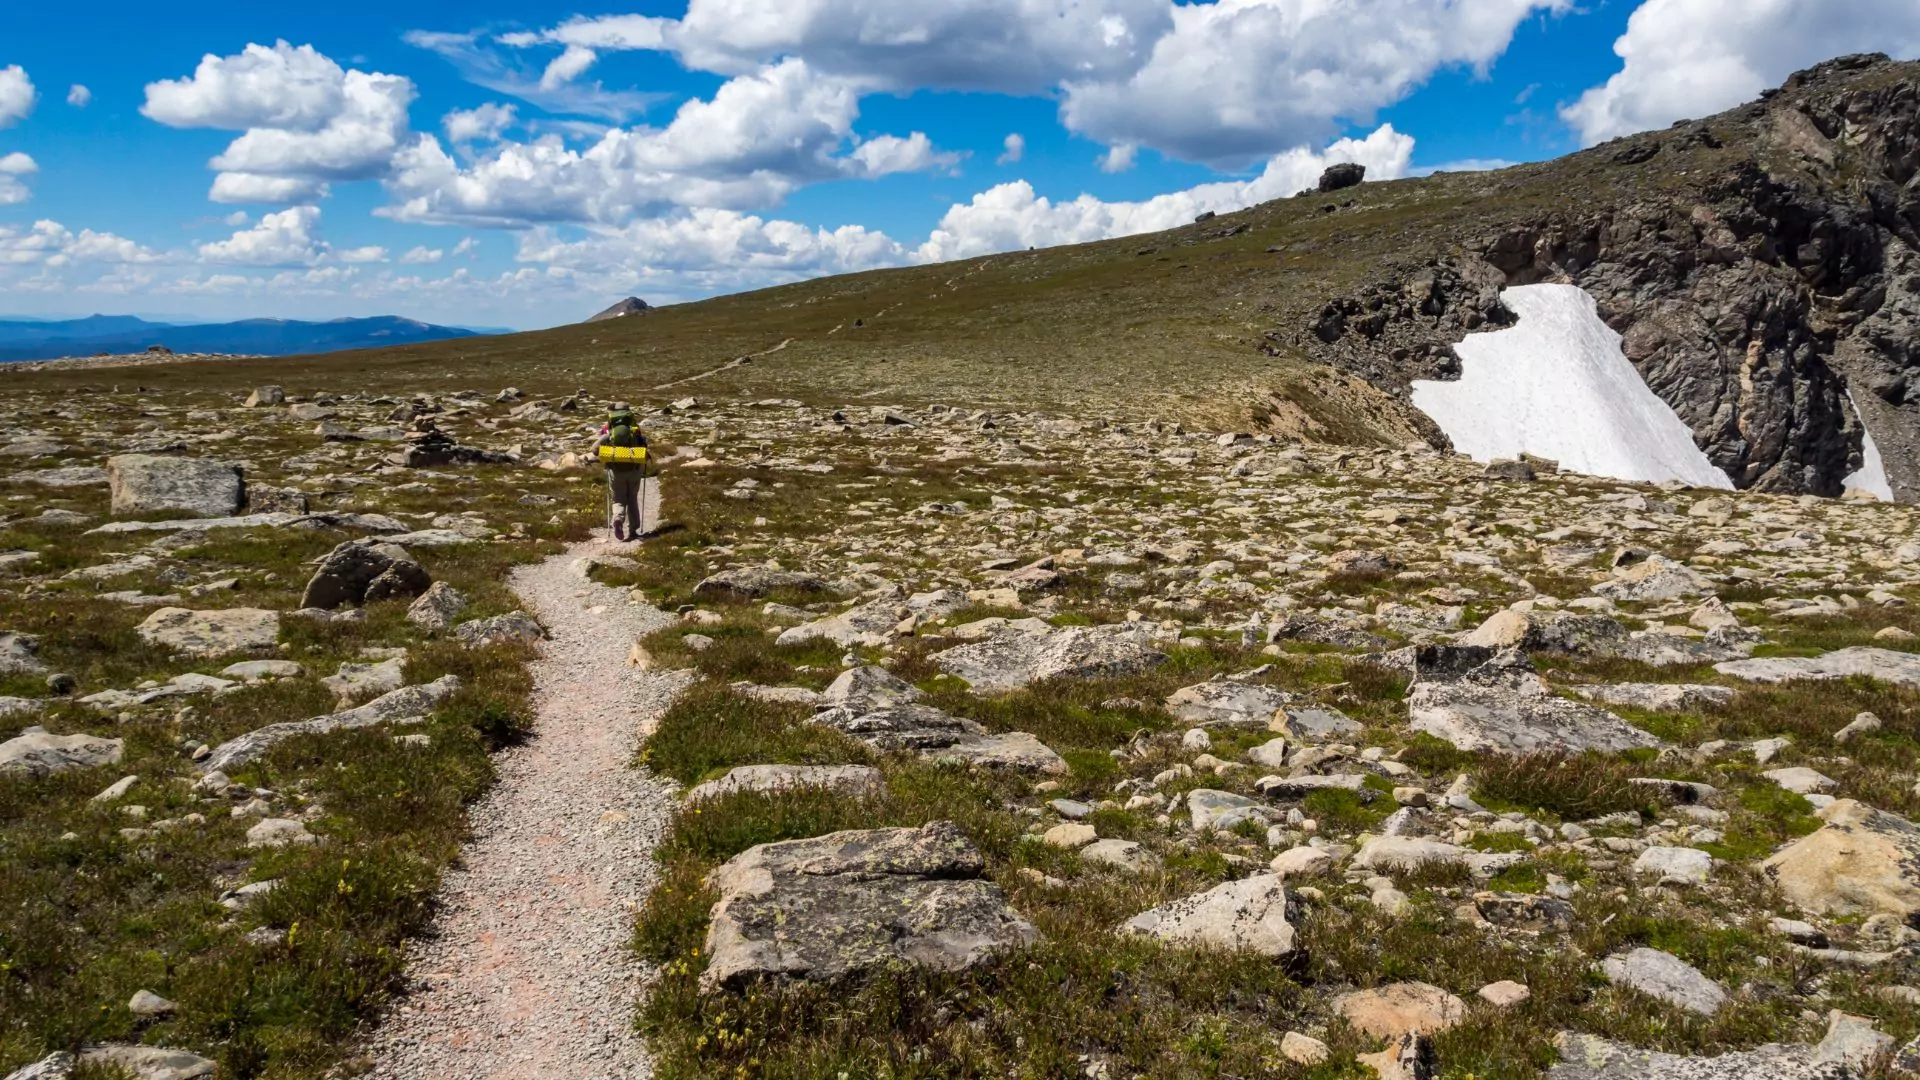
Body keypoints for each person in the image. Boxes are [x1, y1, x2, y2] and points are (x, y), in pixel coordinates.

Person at [589, 402, 649, 540]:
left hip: (615, 470)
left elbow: (594, 449)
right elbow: (644, 445)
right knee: (632, 498)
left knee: (618, 499)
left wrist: (608, 451)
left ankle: (617, 520)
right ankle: (633, 530)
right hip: (634, 469)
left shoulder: (609, 432)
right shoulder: (634, 430)